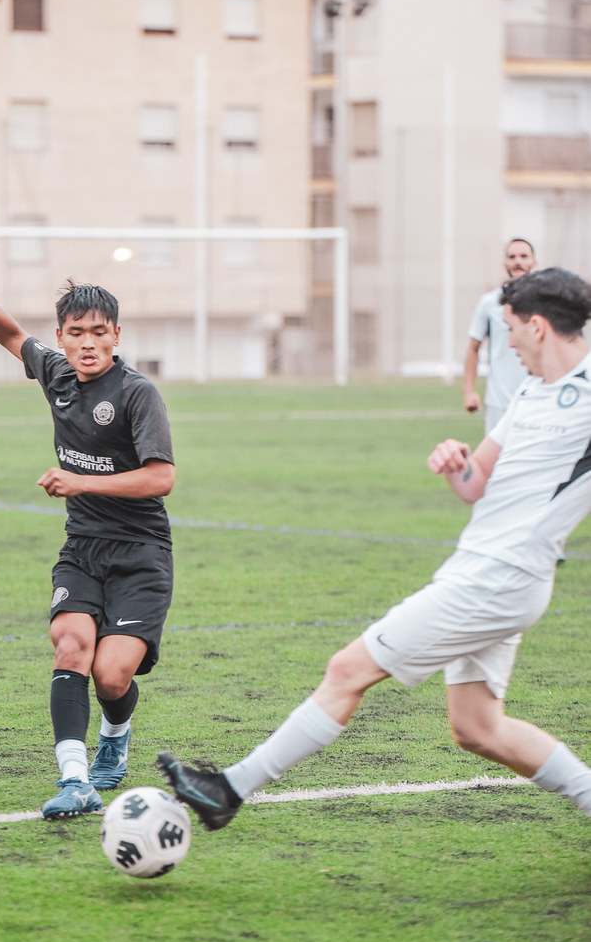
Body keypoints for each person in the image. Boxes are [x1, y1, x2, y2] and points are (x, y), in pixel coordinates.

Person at [158, 267, 591, 829]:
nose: (504, 342)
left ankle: (228, 790)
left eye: (509, 328)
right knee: (479, 729)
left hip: (498, 579)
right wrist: (453, 463)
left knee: (346, 670)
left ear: (537, 326)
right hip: (486, 571)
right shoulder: (532, 391)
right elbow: (475, 484)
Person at [0, 279, 175, 820]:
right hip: (82, 550)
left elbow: (161, 478)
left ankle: (115, 733)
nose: (88, 343)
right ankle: (75, 781)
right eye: (77, 333)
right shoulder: (58, 374)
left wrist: (81, 481)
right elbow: (12, 336)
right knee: (70, 645)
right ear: (62, 338)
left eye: (99, 332)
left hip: (141, 554)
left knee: (112, 676)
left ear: (116, 335)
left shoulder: (138, 394)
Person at [463, 238, 536, 434]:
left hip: (536, 399)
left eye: (523, 256)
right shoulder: (489, 303)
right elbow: (473, 348)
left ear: (534, 262)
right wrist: (469, 391)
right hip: (499, 402)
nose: (517, 261)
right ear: (505, 264)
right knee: (496, 462)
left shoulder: (545, 304)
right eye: (512, 257)